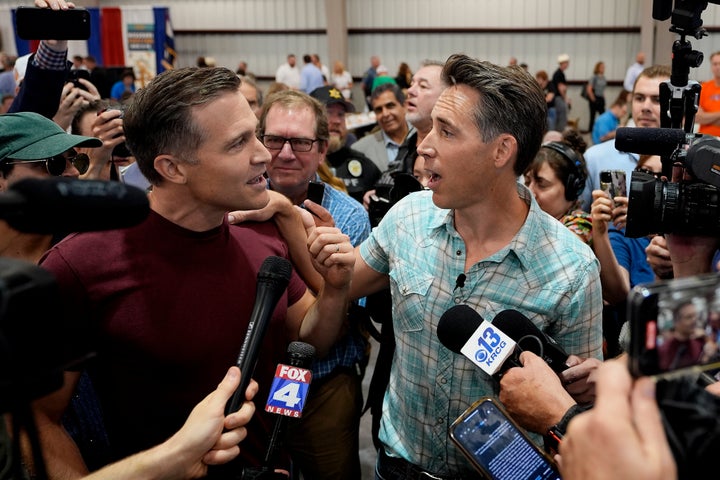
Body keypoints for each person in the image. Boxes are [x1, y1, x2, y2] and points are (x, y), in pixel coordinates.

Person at [30, 66, 355, 479]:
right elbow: (39, 417)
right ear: (172, 168)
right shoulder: (80, 264)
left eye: (256, 134)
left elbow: (312, 335)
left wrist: (336, 287)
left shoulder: (262, 237)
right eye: (238, 143)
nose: (263, 153)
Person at [348, 54, 602, 478]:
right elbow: (341, 283)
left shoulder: (571, 271)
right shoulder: (409, 217)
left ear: (502, 150)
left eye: (446, 132)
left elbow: (579, 408)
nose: (424, 145)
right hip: (397, 466)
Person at [256, 88, 371, 480]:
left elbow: (337, 316)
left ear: (322, 150)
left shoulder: (347, 217)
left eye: (301, 142)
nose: (286, 153)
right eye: (274, 140)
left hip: (321, 381)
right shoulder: (232, 204)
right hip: (251, 385)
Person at [579, 64, 672, 211]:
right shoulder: (596, 158)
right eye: (639, 98)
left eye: (657, 100)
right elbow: (574, 220)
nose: (645, 107)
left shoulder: (688, 166)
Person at [310, 85, 381, 203]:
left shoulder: (362, 164)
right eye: (328, 113)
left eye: (341, 114)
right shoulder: (299, 163)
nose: (337, 121)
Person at [523, 131, 592, 244]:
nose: (530, 191)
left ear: (571, 189)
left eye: (542, 185)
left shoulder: (580, 224)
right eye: (527, 182)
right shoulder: (532, 218)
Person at [351, 83, 415, 172]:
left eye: (390, 106)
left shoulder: (424, 138)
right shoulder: (360, 150)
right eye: (378, 110)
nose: (385, 114)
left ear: (405, 106)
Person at [696, 50, 720, 137]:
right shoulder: (703, 88)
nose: (718, 67)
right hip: (704, 139)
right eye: (715, 64)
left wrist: (706, 117)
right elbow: (697, 117)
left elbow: (702, 118)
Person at [584, 61, 607, 133]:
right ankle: (590, 131)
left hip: (601, 97)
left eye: (604, 67)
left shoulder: (604, 78)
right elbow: (589, 89)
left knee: (603, 115)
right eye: (601, 67)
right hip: (594, 98)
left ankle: (602, 130)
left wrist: (603, 98)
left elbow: (603, 89)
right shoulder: (594, 77)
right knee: (593, 116)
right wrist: (593, 99)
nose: (603, 68)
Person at [552, 54, 571, 131]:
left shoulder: (560, 73)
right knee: (562, 115)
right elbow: (561, 87)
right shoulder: (559, 73)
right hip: (559, 98)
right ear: (563, 63)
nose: (568, 64)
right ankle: (560, 131)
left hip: (559, 97)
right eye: (567, 63)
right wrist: (565, 98)